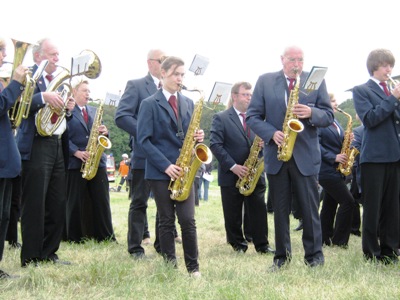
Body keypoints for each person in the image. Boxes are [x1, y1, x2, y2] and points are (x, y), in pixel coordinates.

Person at [247, 45, 334, 270]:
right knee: (280, 211)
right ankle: (281, 258)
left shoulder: (315, 80)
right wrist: (270, 133)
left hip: (305, 155)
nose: (297, 64)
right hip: (278, 153)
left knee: (310, 209)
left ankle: (314, 257)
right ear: (282, 59)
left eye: (301, 60)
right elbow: (253, 116)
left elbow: (328, 115)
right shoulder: (265, 81)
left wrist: (311, 113)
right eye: (292, 59)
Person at [137, 56, 203, 277]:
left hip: (184, 170)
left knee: (188, 220)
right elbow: (143, 140)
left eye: (182, 75)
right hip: (160, 171)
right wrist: (166, 166)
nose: (180, 78)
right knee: (166, 221)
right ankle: (170, 266)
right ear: (163, 73)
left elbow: (187, 135)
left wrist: (198, 137)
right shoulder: (148, 104)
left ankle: (193, 269)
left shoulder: (188, 102)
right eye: (176, 74)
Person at [16, 38, 75, 267]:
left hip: (57, 143)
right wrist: (42, 97)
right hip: (36, 143)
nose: (57, 59)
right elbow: (17, 105)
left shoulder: (59, 81)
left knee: (56, 201)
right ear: (38, 56)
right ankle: (31, 256)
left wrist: (67, 109)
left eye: (58, 54)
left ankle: (50, 252)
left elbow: (56, 115)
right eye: (52, 54)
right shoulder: (27, 74)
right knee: (34, 203)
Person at [210, 81, 274, 255]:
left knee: (259, 210)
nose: (249, 98)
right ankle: (238, 244)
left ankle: (262, 244)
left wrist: (263, 143)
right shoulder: (221, 117)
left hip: (255, 173)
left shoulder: (257, 119)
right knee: (233, 213)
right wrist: (233, 166)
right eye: (245, 94)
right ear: (235, 96)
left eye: (251, 95)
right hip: (232, 174)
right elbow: (215, 145)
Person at [115, 49, 165, 258]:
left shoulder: (173, 88)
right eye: (161, 60)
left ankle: (163, 245)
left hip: (166, 156)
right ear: (150, 63)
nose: (165, 64)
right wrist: (145, 133)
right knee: (139, 202)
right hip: (144, 155)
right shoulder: (136, 85)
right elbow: (122, 115)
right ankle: (135, 247)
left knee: (165, 204)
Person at [353, 48, 400, 264]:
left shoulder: (391, 90)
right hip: (374, 158)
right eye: (384, 65)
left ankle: (390, 250)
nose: (389, 69)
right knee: (373, 207)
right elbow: (370, 119)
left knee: (393, 206)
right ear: (374, 67)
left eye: (390, 65)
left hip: (394, 155)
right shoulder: (362, 90)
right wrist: (392, 98)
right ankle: (371, 252)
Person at [65, 80, 115, 243]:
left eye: (89, 91)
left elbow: (100, 136)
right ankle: (74, 236)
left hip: (96, 161)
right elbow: (62, 135)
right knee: (75, 202)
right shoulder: (67, 111)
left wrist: (105, 133)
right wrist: (76, 152)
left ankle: (105, 235)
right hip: (76, 162)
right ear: (74, 91)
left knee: (102, 201)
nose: (88, 94)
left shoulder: (94, 111)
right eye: (84, 90)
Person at [0, 37, 26, 279]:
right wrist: (16, 84)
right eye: (2, 51)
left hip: (6, 161)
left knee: (4, 215)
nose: (5, 56)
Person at [318, 93, 355, 248]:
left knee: (329, 204)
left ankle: (323, 237)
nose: (336, 103)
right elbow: (315, 146)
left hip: (336, 170)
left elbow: (336, 142)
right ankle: (339, 240)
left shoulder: (335, 122)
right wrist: (333, 157)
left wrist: (347, 139)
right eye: (333, 101)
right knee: (349, 202)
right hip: (326, 169)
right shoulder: (319, 122)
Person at [349, 114, 363, 237]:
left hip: (361, 170)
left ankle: (354, 228)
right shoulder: (358, 131)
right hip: (358, 169)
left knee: (353, 199)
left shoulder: (358, 131)